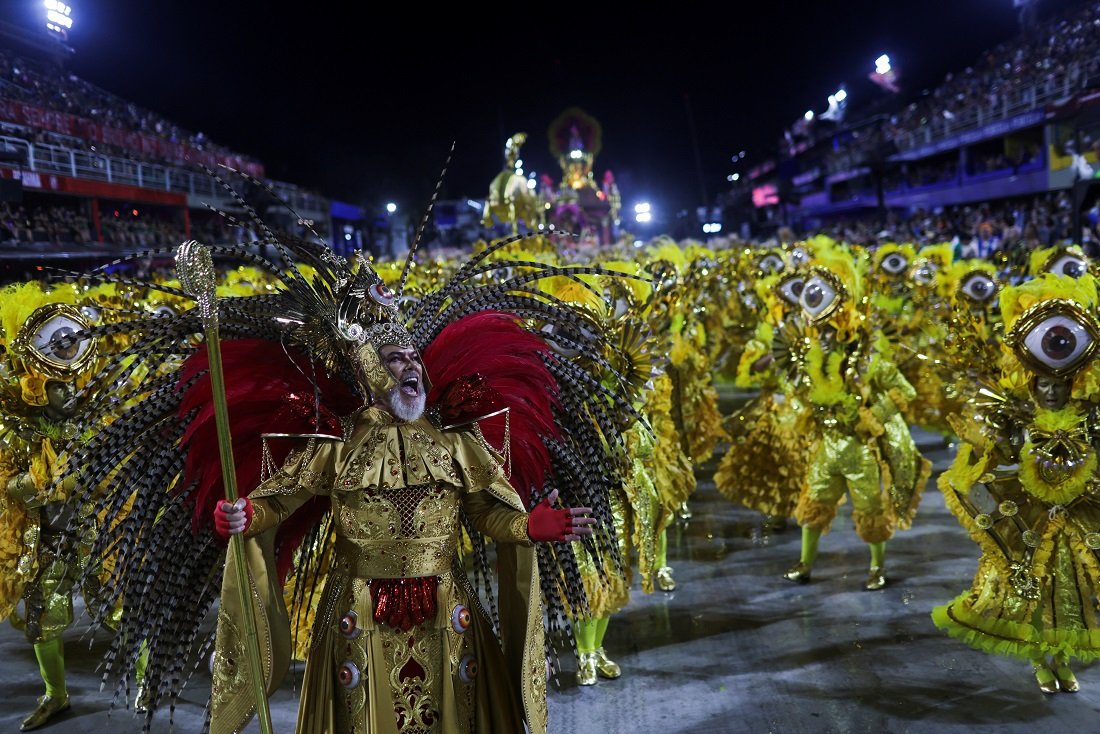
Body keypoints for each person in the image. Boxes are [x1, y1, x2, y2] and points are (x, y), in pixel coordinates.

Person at [210, 331, 595, 733]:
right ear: (368, 371)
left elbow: (485, 512)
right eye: (395, 359)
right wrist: (244, 516)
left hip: (445, 610)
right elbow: (278, 503)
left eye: (414, 357)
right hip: (360, 613)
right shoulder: (338, 442)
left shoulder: (452, 438)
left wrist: (527, 526)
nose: (411, 366)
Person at [934, 272, 1100, 693]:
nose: (1049, 392)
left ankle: (1061, 660)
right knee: (1029, 594)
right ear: (1033, 383)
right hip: (1029, 521)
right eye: (1042, 384)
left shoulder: (1087, 419)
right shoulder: (1017, 422)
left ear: (1069, 385)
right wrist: (979, 450)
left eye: (1057, 385)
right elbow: (991, 464)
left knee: (1068, 593)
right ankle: (1037, 662)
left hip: (1075, 518)